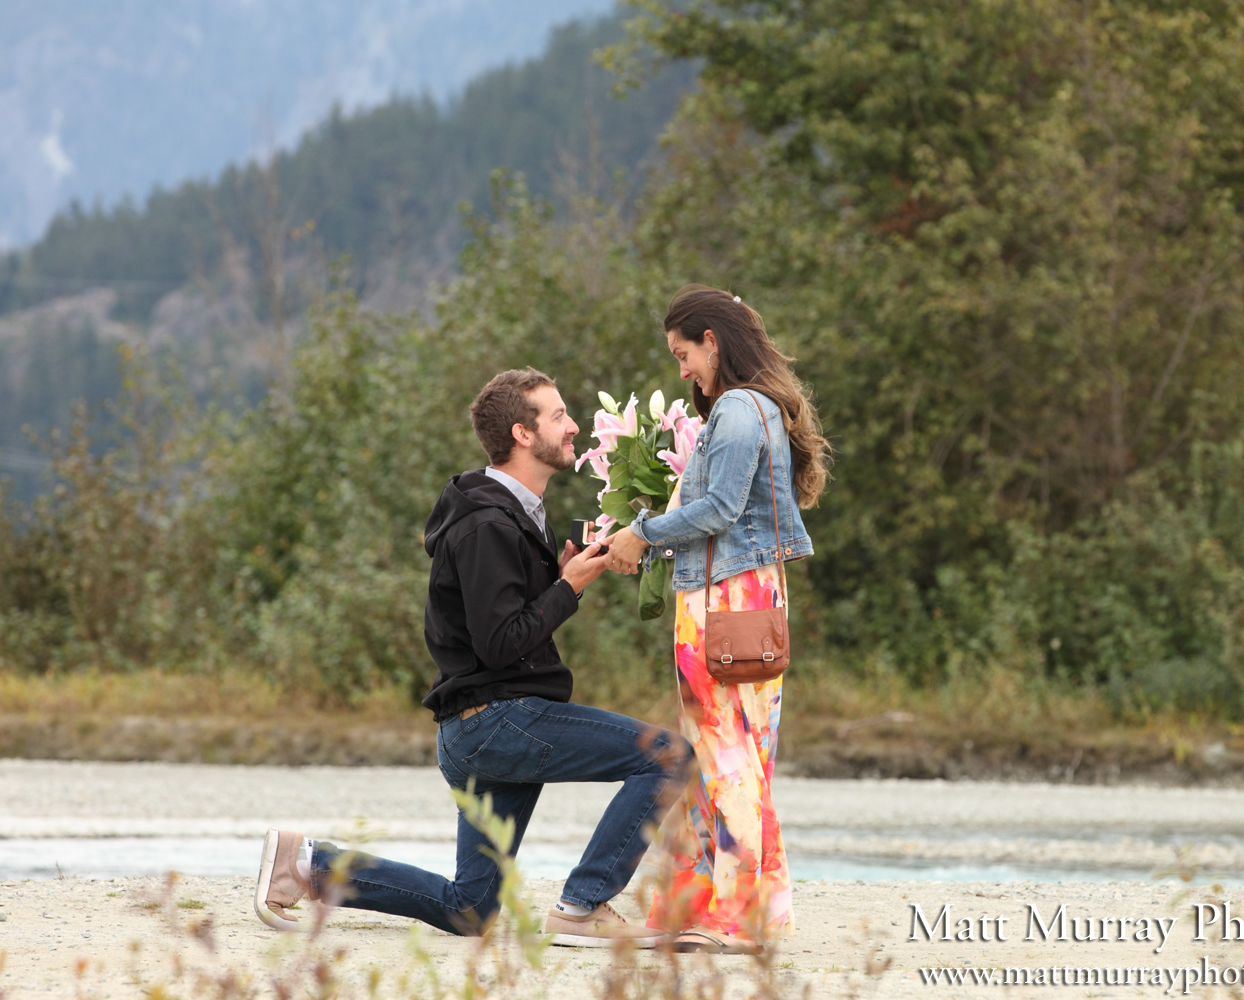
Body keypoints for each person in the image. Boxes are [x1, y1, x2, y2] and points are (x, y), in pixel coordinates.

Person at [254, 367, 692, 947]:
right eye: (558, 415)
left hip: (480, 729)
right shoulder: (486, 523)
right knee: (667, 756)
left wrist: (557, 580)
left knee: (469, 910)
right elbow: (501, 643)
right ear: (522, 433)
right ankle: (584, 905)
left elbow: (503, 627)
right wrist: (568, 591)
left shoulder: (514, 513)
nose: (573, 426)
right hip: (498, 723)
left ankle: (306, 863)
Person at [604, 286, 831, 954]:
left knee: (720, 754)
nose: (681, 371)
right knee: (739, 754)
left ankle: (729, 913)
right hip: (754, 597)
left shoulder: (735, 410)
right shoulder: (759, 410)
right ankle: (732, 909)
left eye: (684, 354)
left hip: (722, 601)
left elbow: (720, 510)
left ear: (713, 340)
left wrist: (643, 533)